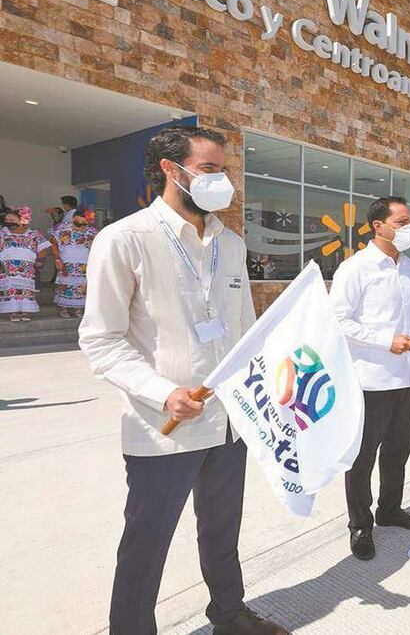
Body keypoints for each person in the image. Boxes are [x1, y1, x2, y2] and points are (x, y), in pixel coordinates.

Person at [78, 126, 289, 635]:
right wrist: (162, 392)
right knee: (146, 543)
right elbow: (100, 339)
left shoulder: (231, 243)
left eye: (224, 170)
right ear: (173, 171)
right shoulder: (125, 239)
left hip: (226, 424)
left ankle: (229, 615)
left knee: (221, 532)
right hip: (162, 429)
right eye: (211, 169)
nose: (223, 180)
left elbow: (241, 333)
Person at [330, 196, 410, 562]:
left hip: (406, 380)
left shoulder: (407, 266)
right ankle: (360, 525)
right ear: (379, 226)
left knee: (397, 451)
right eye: (402, 221)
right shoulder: (356, 268)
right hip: (371, 381)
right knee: (362, 458)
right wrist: (384, 341)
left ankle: (390, 509)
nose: (409, 228)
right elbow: (339, 320)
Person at [1, 207, 60, 322]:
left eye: (12, 219)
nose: (9, 222)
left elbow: (43, 248)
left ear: (22, 220)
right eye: (7, 219)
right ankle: (13, 312)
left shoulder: (33, 233)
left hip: (27, 269)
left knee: (26, 289)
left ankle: (24, 311)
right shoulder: (2, 233)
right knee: (10, 289)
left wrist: (40, 261)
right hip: (7, 268)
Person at [50, 207, 98, 318]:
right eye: (77, 223)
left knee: (82, 287)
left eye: (84, 224)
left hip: (84, 264)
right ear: (72, 219)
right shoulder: (62, 229)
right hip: (66, 263)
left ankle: (79, 309)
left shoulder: (93, 232)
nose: (80, 226)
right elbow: (53, 244)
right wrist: (57, 259)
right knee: (64, 285)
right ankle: (63, 308)